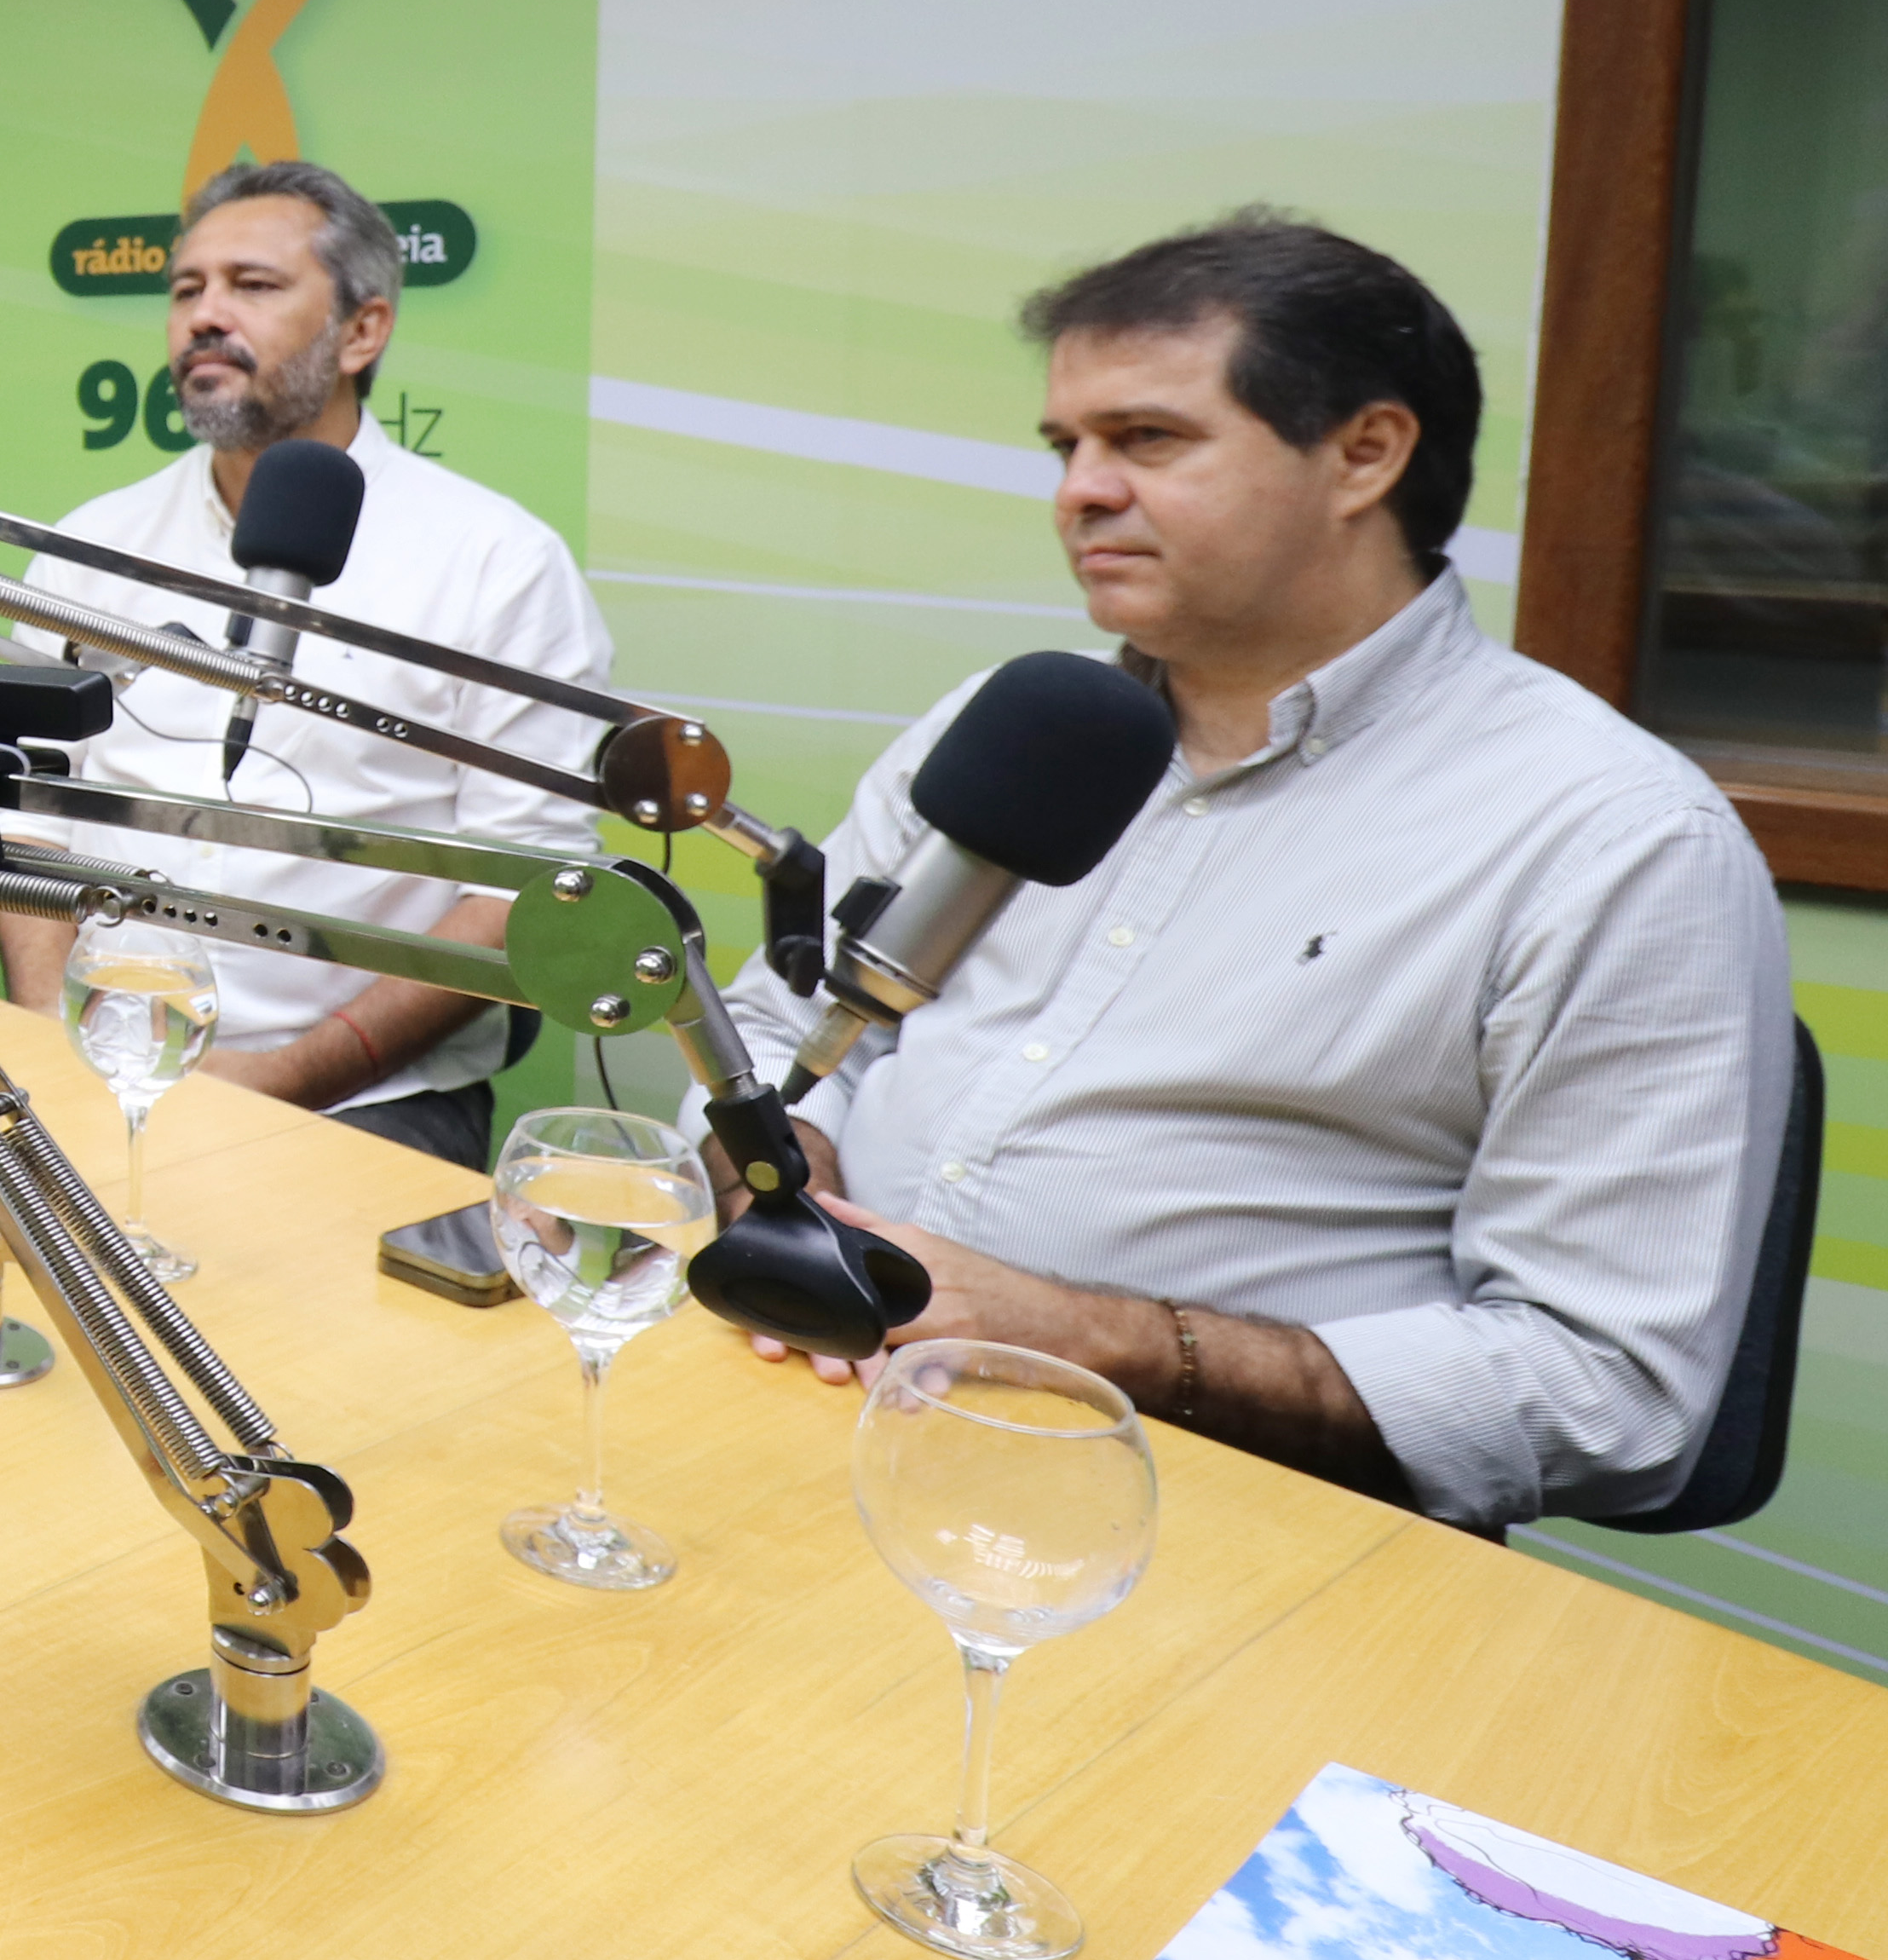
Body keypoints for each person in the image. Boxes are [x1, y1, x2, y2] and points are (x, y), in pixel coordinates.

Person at [717, 214, 1790, 1533]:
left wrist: (1085, 1338)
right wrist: (777, 1183)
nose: (1080, 491)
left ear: (1365, 454)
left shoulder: (1616, 839)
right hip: (811, 1403)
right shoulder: (1012, 726)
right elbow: (783, 1030)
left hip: (1210, 1520)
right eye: (1066, 447)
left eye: (1147, 439)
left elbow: (1610, 1396)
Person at [6, 160, 613, 1171]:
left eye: (252, 284)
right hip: (92, 1069)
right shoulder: (91, 547)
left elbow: (526, 888)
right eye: (187, 288)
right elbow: (30, 818)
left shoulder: (497, 562)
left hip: (363, 1099)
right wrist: (50, 1036)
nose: (205, 315)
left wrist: (284, 1081)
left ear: (362, 331)